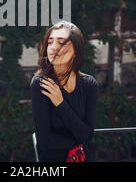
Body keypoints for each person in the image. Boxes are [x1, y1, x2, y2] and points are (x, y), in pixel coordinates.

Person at [30, 20, 99, 162]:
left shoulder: (89, 84)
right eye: (50, 42)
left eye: (61, 42)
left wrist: (60, 103)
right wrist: (79, 137)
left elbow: (87, 135)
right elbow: (44, 141)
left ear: (76, 50)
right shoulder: (41, 84)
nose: (53, 47)